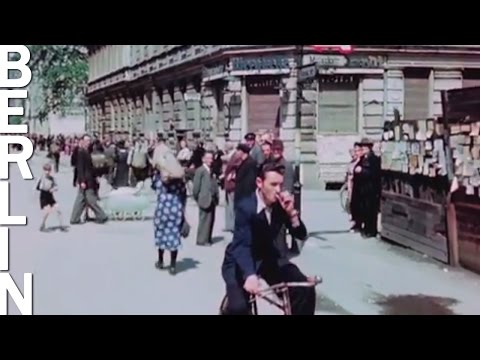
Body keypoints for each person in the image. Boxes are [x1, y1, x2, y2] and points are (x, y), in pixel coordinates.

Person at [221, 162, 316, 315]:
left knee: (304, 289)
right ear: (259, 183)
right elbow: (242, 245)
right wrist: (250, 275)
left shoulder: (280, 204)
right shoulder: (245, 207)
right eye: (273, 184)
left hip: (268, 257)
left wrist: (292, 213)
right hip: (241, 260)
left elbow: (300, 234)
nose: (278, 190)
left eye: (280, 184)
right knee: (238, 309)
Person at [152, 141, 187, 275]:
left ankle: (161, 261)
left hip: (162, 209)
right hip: (175, 209)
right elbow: (183, 192)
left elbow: (154, 186)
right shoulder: (178, 181)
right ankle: (173, 265)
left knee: (161, 234)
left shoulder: (159, 178)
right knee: (174, 237)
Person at [70, 135, 109, 225]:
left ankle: (74, 218)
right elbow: (80, 168)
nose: (88, 142)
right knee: (90, 199)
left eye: (89, 141)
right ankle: (102, 216)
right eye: (86, 141)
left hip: (89, 178)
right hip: (86, 179)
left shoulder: (86, 151)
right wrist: (82, 181)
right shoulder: (81, 152)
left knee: (81, 199)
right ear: (82, 141)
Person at [193, 151, 219, 247]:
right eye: (208, 158)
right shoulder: (200, 170)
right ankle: (201, 240)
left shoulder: (211, 170)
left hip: (211, 198)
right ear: (203, 159)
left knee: (210, 219)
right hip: (204, 198)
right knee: (204, 219)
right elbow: (196, 186)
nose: (210, 160)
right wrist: (197, 196)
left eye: (211, 158)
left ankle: (208, 237)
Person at [37, 163, 68, 232]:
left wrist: (53, 189)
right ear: (43, 170)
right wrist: (44, 187)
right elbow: (38, 187)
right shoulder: (41, 178)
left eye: (48, 170)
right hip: (43, 195)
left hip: (50, 196)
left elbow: (56, 186)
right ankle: (42, 225)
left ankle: (61, 225)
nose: (47, 172)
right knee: (47, 211)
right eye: (46, 170)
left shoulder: (52, 178)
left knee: (58, 209)